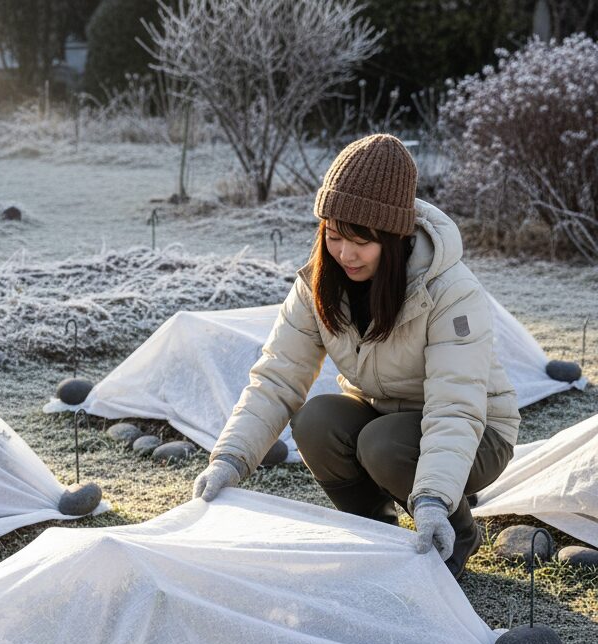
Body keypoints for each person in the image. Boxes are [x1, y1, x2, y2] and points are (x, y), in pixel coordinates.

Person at [192, 133, 520, 579]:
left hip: (477, 432)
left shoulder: (449, 291)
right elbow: (276, 378)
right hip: (385, 418)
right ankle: (376, 533)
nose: (344, 253)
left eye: (361, 241)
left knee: (381, 443)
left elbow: (456, 405)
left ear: (393, 237)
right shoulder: (317, 285)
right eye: (334, 235)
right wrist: (227, 460)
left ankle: (457, 533)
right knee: (317, 419)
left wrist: (431, 500)